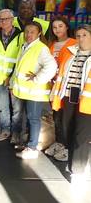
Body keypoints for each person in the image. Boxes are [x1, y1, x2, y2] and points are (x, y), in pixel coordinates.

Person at [50, 25, 91, 184]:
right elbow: (62, 75)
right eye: (79, 35)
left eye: (85, 35)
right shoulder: (71, 53)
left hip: (87, 102)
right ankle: (73, 165)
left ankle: (78, 171)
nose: (81, 38)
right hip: (68, 98)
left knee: (82, 136)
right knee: (69, 132)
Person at [11, 22, 57, 159]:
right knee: (29, 118)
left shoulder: (41, 48)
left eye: (32, 32)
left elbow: (51, 66)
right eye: (27, 32)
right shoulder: (25, 46)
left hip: (35, 92)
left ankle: (32, 148)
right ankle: (29, 143)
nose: (28, 34)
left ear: (39, 33)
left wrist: (37, 79)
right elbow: (19, 67)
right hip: (26, 91)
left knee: (34, 119)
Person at [0, 9, 24, 144]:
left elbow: (22, 58)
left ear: (12, 19)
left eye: (6, 19)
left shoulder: (21, 36)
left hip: (15, 78)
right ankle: (5, 130)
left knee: (17, 108)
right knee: (2, 107)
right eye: (1, 19)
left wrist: (12, 76)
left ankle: (16, 133)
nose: (3, 21)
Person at [46, 16, 77, 161]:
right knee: (56, 117)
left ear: (66, 27)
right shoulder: (52, 45)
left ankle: (68, 147)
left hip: (67, 87)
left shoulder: (74, 44)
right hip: (54, 87)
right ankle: (59, 143)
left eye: (60, 26)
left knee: (67, 118)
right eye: (54, 27)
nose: (57, 29)